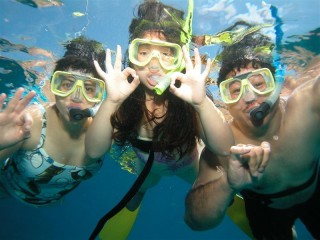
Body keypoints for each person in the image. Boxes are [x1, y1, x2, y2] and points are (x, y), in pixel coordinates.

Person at [85, 0, 236, 238]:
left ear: (179, 59)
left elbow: (225, 149)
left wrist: (201, 103)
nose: (154, 66)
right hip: (148, 168)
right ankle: (138, 196)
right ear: (132, 57)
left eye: (167, 54)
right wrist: (111, 102)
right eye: (143, 53)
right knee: (140, 187)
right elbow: (93, 152)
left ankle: (230, 200)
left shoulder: (189, 98)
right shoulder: (123, 101)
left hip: (191, 163)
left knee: (211, 193)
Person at [184, 21, 320, 239]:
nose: (249, 98)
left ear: (277, 85)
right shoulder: (224, 146)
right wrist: (228, 182)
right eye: (234, 90)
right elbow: (195, 220)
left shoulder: (306, 104)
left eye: (259, 83)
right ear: (225, 101)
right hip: (265, 210)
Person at [0, 36, 106, 206]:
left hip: (52, 201)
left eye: (89, 88)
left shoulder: (105, 130)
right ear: (53, 86)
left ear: (100, 96)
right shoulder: (30, 123)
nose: (77, 97)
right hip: (5, 190)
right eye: (66, 84)